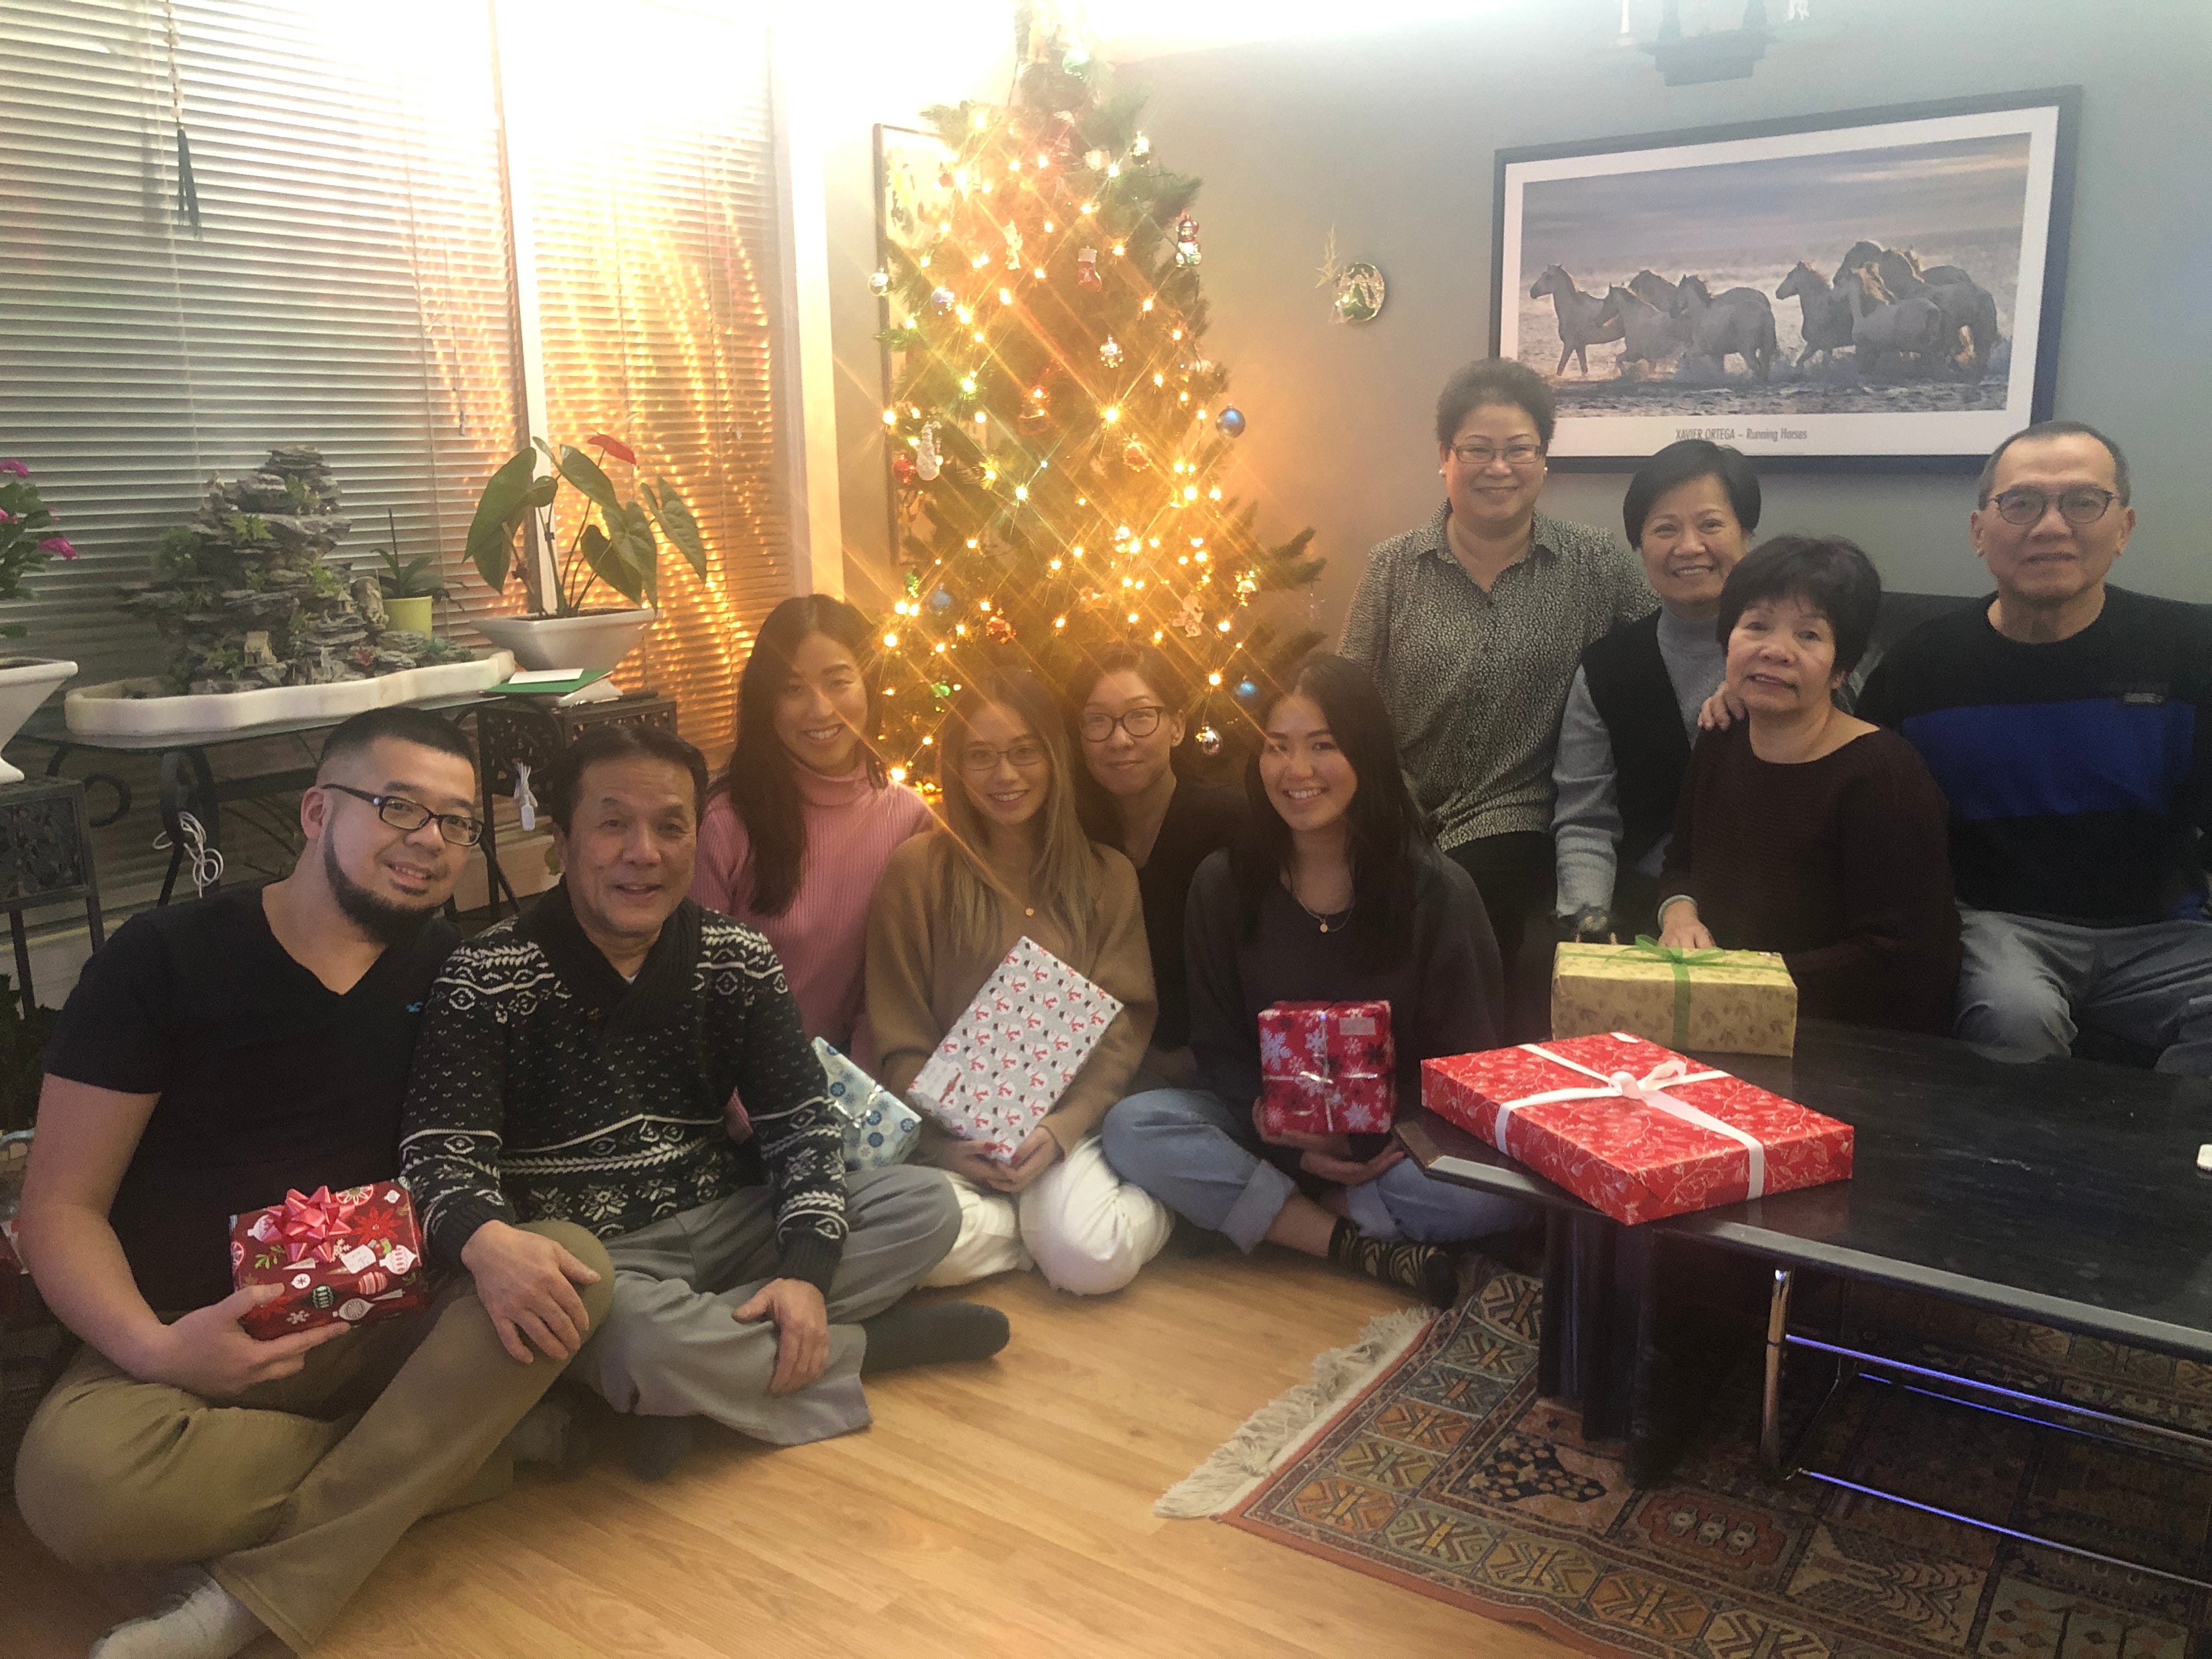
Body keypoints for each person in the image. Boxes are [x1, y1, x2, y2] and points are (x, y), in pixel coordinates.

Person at [12, 708, 614, 1659]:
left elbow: (511, 1138)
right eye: (398, 806)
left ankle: (248, 1598)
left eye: (457, 821)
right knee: (74, 1487)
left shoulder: (454, 971)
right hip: (190, 1329)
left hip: (381, 1313)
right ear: (315, 811)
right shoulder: (161, 959)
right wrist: (159, 1350)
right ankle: (463, 1453)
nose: (430, 839)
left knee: (568, 1266)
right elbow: (59, 1207)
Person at [398, 723, 1001, 1485]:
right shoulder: (485, 973)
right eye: (613, 824)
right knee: (635, 1338)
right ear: (563, 840)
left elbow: (801, 1125)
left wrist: (807, 1273)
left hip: (725, 1219)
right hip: (598, 1262)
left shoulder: (737, 956)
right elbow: (438, 1160)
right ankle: (863, 1349)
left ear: (695, 837)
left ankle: (682, 1385)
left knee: (925, 1206)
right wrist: (489, 1244)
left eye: (670, 827)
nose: (643, 852)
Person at [1104, 654, 1528, 1308]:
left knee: (1503, 1191)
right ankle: (1346, 1240)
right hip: (1268, 1136)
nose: (1296, 770)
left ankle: (1282, 1212)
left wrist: (1362, 1138)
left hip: (1396, 1146)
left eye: (1323, 746)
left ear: (1366, 754)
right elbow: (1219, 1049)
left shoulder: (1438, 892)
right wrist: (1288, 1141)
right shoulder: (1223, 884)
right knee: (1134, 1126)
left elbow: (1467, 1068)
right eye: (1277, 747)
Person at [1853, 420, 2212, 1070]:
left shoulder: (2191, 650)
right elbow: (1855, 787)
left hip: (2161, 933)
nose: (2051, 526)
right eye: (2021, 503)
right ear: (1979, 531)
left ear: (2124, 527)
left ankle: (2159, 1140)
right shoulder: (1920, 666)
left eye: (2083, 501)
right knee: (2014, 1014)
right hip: (2001, 928)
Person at [1341, 358, 1655, 1039]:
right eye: (1477, 450)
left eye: (1519, 450)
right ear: (1445, 457)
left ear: (1543, 459)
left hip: (1518, 815)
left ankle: (1471, 1074)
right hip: (1398, 807)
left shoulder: (1594, 565)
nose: (1499, 468)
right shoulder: (1393, 567)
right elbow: (1345, 700)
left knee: (1465, 889)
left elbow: (1665, 645)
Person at [867, 669, 1173, 1295]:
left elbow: (1122, 1032)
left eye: (1024, 752)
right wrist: (942, 1146)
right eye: (981, 756)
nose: (1004, 775)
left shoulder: (1106, 876)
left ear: (1054, 758)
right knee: (907, 1248)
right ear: (956, 768)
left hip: (1064, 1133)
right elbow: (900, 1038)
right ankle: (1032, 1236)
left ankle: (1156, 1212)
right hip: (956, 1141)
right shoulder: (917, 872)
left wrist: (1059, 1133)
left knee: (1091, 1261)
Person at [1657, 537, 1961, 1033]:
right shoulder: (1722, 736)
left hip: (1841, 1033)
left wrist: (1743, 983)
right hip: (1718, 1009)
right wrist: (1679, 917)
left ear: (1841, 669)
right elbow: (1681, 863)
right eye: (1756, 626)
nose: (1776, 650)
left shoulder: (1884, 775)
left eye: (1809, 635)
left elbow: (1903, 961)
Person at [691, 595, 934, 1073]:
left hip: (856, 1081)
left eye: (839, 682)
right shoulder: (726, 823)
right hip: (737, 1083)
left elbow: (894, 991)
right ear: (767, 702)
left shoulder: (909, 821)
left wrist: (860, 1093)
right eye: (793, 689)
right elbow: (698, 998)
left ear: (870, 684)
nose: (820, 710)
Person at [1553, 439, 1758, 940]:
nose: (1689, 547)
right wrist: (1589, 923)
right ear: (1640, 545)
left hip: (1765, 901)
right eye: (1665, 529)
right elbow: (1587, 821)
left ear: (1747, 534)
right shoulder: (1607, 668)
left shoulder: (1788, 660)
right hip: (1643, 901)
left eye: (1710, 524)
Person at [1068, 642, 1246, 1086]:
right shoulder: (1072, 835)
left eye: (1141, 716)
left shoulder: (1230, 823)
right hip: (1101, 1064)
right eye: (1098, 721)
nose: (1119, 740)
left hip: (1215, 1069)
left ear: (1177, 727)